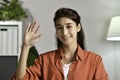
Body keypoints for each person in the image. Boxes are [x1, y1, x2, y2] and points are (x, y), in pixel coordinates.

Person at [13, 7, 108, 80]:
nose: (64, 32)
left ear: (78, 27)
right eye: (59, 28)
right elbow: (21, 78)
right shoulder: (44, 60)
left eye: (69, 26)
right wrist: (25, 46)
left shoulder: (95, 61)